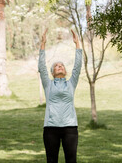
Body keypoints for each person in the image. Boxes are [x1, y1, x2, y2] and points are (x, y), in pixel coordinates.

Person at [38, 29, 82, 163]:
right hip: (51, 128)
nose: (59, 66)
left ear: (65, 70)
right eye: (56, 66)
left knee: (71, 160)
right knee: (51, 160)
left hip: (70, 127)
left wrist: (77, 44)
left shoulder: (71, 83)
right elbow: (42, 67)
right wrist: (43, 44)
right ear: (52, 72)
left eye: (61, 65)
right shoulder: (48, 84)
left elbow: (77, 67)